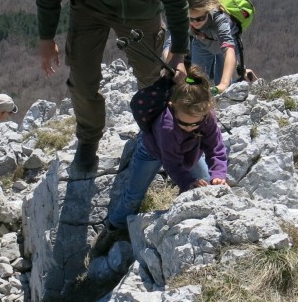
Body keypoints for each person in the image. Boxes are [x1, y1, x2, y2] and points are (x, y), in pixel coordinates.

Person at [36, 0, 190, 172]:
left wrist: (178, 53)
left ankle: (157, 135)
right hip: (89, 8)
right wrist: (46, 38)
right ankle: (87, 141)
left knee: (152, 78)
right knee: (82, 80)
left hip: (138, 11)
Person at [92, 67, 228, 255]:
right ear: (172, 106)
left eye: (196, 123)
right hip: (152, 150)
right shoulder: (167, 125)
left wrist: (219, 174)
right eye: (185, 123)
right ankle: (113, 228)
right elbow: (172, 163)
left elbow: (216, 149)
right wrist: (187, 181)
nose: (190, 127)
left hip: (188, 150)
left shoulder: (206, 118)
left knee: (206, 185)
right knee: (133, 196)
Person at [181, 0, 257, 93]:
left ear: (208, 10)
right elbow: (172, 43)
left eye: (200, 18)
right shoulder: (184, 17)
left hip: (224, 47)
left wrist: (223, 85)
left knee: (222, 87)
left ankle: (243, 72)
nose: (195, 23)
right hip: (202, 43)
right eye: (191, 19)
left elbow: (229, 50)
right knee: (195, 83)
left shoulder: (220, 19)